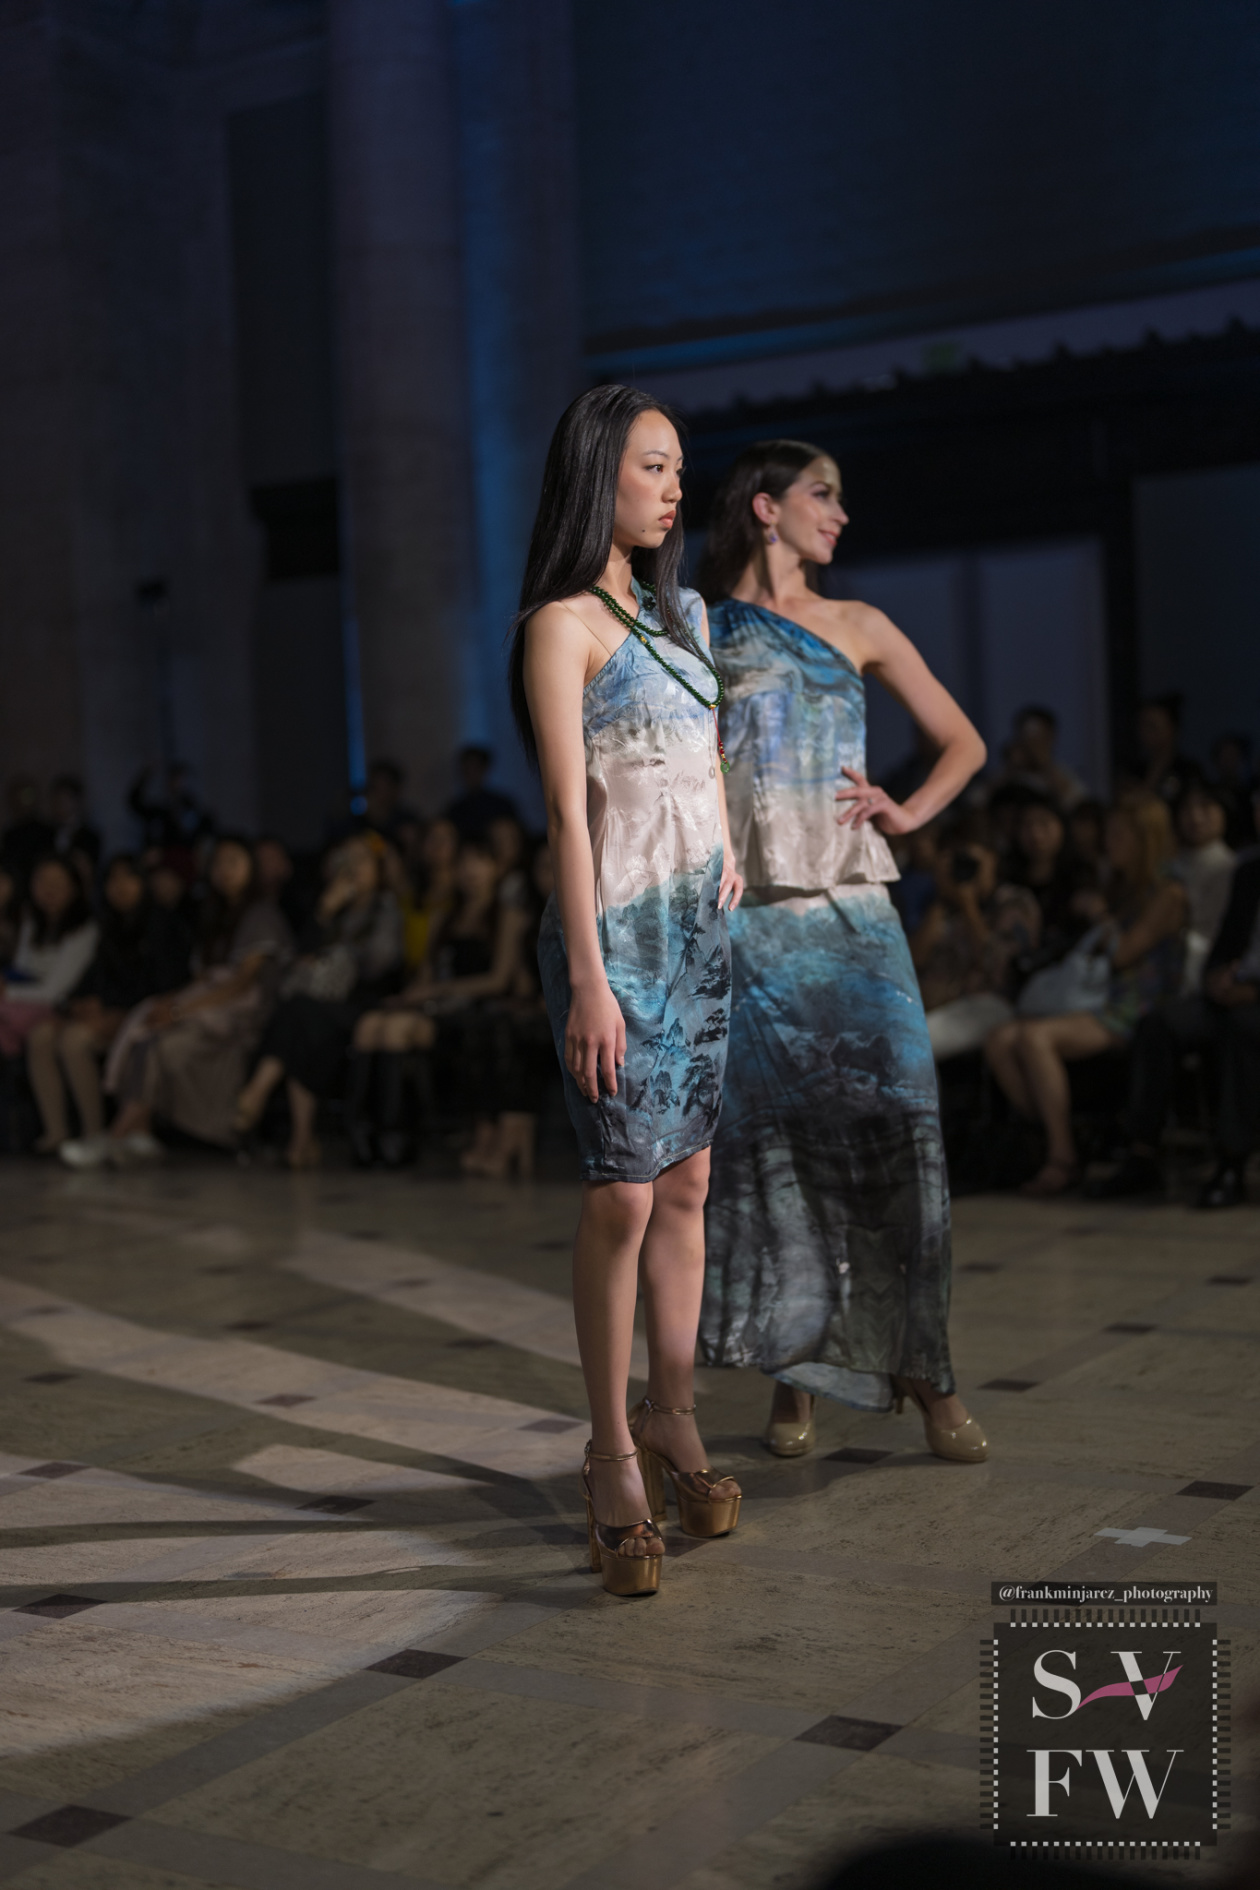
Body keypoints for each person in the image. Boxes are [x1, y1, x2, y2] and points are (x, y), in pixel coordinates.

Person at [695, 437, 988, 1467]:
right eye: (823, 494)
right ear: (765, 507)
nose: (841, 514)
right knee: (785, 1159)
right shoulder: (703, 629)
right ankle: (798, 1374)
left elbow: (964, 741)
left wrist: (907, 811)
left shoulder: (860, 623)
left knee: (905, 1139)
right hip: (758, 925)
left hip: (858, 917)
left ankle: (930, 1373)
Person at [507, 384, 743, 1597]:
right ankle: (609, 1450)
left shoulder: (682, 614)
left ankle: (674, 1413)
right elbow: (567, 812)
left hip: (699, 936)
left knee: (689, 1182)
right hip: (613, 945)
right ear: (597, 472)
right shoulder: (561, 626)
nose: (673, 488)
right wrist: (589, 983)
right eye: (653, 466)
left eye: (679, 470)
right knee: (622, 1194)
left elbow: (705, 758)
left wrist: (729, 846)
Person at [985, 795, 1187, 1197]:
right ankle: (1061, 1132)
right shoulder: (1119, 885)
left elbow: (1125, 953)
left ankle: (1062, 1157)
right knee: (1000, 1040)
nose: (1109, 841)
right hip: (1096, 998)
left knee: (1034, 1038)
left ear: (1144, 839)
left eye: (1119, 834)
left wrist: (1099, 914)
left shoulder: (1168, 892)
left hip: (1135, 1006)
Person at [62, 836, 292, 1166]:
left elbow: (241, 984)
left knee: (162, 1045)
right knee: (146, 1033)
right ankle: (138, 1133)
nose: (225, 870)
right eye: (219, 862)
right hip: (208, 1007)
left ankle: (117, 1135)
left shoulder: (262, 915)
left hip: (245, 1017)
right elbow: (200, 979)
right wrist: (168, 1004)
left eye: (234, 862)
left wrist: (179, 1010)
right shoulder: (215, 915)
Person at [1087, 790, 1260, 1206]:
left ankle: (1232, 1163)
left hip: (1253, 996)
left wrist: (1252, 990)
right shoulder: (1249, 872)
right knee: (1160, 1024)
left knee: (1242, 1028)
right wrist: (1216, 976)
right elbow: (1226, 942)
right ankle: (1142, 1154)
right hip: (1232, 988)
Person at [233, 835, 403, 1167]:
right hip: (320, 1008)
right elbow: (299, 958)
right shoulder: (330, 908)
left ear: (378, 869)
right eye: (345, 861)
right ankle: (301, 1138)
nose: (352, 869)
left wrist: (341, 954)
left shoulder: (385, 908)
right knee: (303, 1021)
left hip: (364, 1003)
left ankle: (258, 1093)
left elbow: (379, 964)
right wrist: (324, 912)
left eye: (361, 860)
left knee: (300, 1013)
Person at [26, 854, 189, 1155]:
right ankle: (55, 1132)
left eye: (128, 877)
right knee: (41, 1034)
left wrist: (111, 1006)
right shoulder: (107, 926)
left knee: (74, 1040)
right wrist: (73, 1004)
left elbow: (166, 984)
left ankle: (94, 1132)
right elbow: (90, 977)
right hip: (106, 1010)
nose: (120, 886)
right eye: (113, 879)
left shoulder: (162, 924)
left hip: (143, 1013)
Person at [912, 831, 1040, 1061]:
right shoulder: (943, 908)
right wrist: (943, 898)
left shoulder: (1014, 901)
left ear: (992, 859)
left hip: (989, 1002)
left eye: (971, 861)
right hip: (934, 1005)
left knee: (912, 1044)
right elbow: (915, 962)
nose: (963, 869)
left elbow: (996, 965)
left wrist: (968, 904)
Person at [0, 857, 99, 1063]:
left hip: (59, 1007)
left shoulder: (84, 929)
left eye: (58, 882)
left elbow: (56, 991)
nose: (49, 888)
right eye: (42, 880)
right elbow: (21, 969)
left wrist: (8, 991)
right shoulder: (32, 921)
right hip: (23, 1001)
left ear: (74, 887)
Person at [1171, 782, 1235, 991]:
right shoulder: (1172, 861)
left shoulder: (1231, 866)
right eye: (1186, 808)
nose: (1195, 817)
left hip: (1204, 967)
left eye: (1205, 806)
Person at [996, 705, 1087, 810]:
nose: (1031, 747)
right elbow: (982, 801)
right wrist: (1010, 770)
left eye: (1038, 740)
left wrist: (1045, 767)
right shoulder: (1005, 776)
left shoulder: (1065, 777)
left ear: (1051, 738)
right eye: (1026, 739)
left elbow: (1078, 805)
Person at [444, 745, 519, 842]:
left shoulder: (501, 805)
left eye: (475, 768)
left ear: (484, 769)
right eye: (467, 769)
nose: (471, 773)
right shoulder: (455, 809)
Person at [1, 777, 54, 886]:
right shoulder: (9, 834)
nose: (19, 801)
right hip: (15, 885)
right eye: (15, 797)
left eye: (25, 797)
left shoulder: (47, 832)